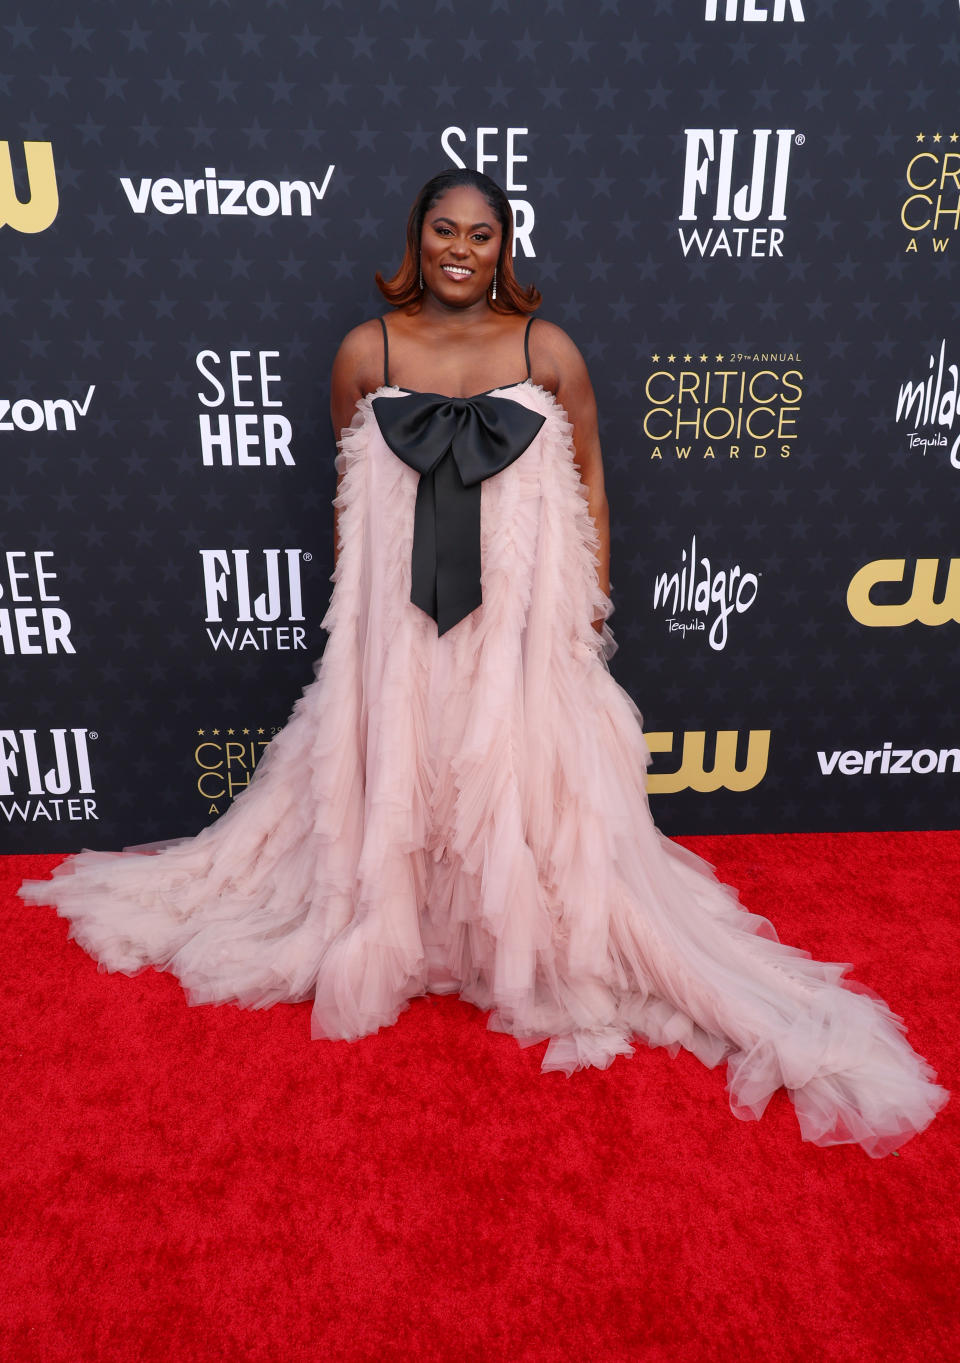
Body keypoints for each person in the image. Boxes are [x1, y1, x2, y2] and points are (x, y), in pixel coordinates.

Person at [18, 169, 949, 1158]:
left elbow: (588, 468)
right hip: (404, 635)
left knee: (516, 781)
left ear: (507, 247)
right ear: (414, 239)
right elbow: (352, 491)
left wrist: (588, 603)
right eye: (442, 231)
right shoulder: (365, 352)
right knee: (405, 777)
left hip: (518, 630)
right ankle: (400, 920)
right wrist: (360, 632)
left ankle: (509, 937)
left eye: (481, 234)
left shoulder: (547, 350)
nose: (460, 250)